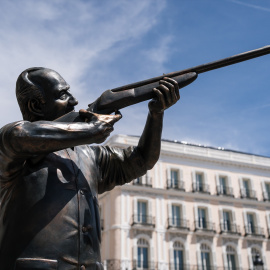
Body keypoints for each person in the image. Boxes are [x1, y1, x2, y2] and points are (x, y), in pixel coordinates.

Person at [0, 67, 197, 270]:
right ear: (35, 105)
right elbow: (18, 134)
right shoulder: (14, 150)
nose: (74, 101)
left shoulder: (90, 155)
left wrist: (156, 115)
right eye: (62, 94)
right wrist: (91, 130)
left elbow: (141, 160)